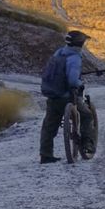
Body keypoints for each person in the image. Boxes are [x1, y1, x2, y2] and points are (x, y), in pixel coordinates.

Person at [39, 30, 94, 163]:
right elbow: (72, 81)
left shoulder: (59, 52)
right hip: (66, 97)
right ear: (80, 43)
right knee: (87, 115)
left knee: (49, 125)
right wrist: (81, 83)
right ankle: (87, 144)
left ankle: (45, 154)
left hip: (53, 94)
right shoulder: (75, 58)